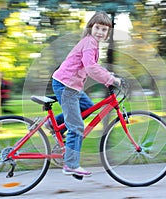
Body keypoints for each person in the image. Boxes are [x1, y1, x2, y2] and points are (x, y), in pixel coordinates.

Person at [51, 11, 121, 177]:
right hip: (66, 86)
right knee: (76, 127)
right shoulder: (89, 43)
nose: (100, 32)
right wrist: (111, 79)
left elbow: (93, 66)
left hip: (72, 87)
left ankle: (55, 126)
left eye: (104, 30)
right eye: (97, 28)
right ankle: (71, 164)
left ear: (107, 33)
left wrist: (109, 75)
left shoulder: (92, 44)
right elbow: (90, 68)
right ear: (91, 27)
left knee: (88, 108)